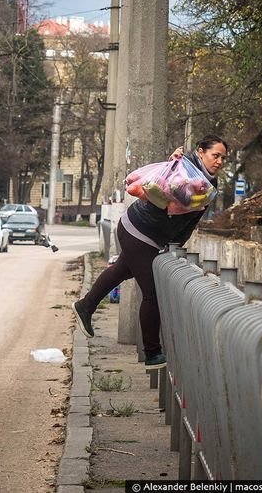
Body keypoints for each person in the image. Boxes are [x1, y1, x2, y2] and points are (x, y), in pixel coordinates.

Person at [72, 136, 229, 367]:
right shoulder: (184, 168)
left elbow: (190, 220)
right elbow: (164, 191)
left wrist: (175, 246)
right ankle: (152, 353)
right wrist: (175, 161)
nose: (219, 161)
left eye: (223, 158)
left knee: (120, 271)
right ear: (201, 152)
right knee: (152, 294)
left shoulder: (209, 185)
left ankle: (85, 306)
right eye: (215, 155)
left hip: (147, 235)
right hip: (139, 231)